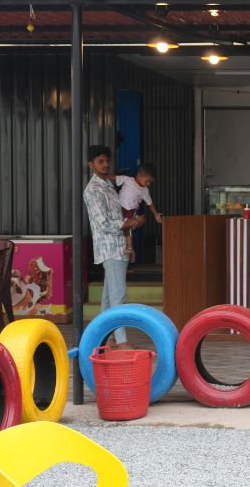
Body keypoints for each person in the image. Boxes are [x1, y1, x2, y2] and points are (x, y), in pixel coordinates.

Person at [84, 145, 144, 349]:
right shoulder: (93, 190)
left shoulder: (109, 185)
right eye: (100, 161)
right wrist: (130, 223)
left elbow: (119, 215)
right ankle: (122, 341)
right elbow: (103, 223)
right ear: (91, 165)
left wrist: (129, 238)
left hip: (119, 245)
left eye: (107, 160)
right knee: (119, 296)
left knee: (109, 298)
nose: (105, 164)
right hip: (109, 248)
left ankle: (107, 338)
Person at [113, 162, 163, 263]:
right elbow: (113, 178)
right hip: (118, 208)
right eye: (147, 181)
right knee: (119, 227)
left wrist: (156, 214)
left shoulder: (144, 190)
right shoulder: (127, 180)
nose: (148, 184)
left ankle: (130, 249)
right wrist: (102, 177)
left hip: (131, 211)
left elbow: (150, 203)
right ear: (139, 175)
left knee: (129, 228)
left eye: (150, 182)